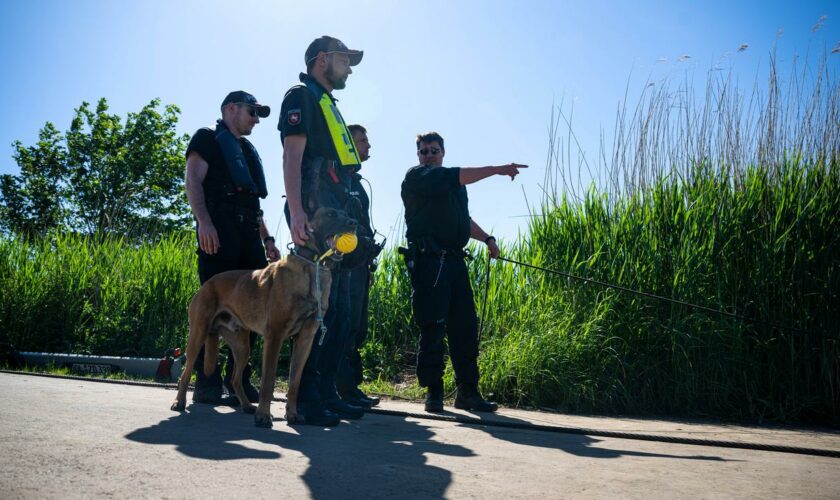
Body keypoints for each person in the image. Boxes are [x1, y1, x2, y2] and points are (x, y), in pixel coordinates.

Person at [400, 131, 526, 412]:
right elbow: (457, 175)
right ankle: (434, 393)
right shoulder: (417, 177)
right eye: (424, 151)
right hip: (430, 262)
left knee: (465, 328)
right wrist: (497, 170)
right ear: (418, 155)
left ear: (443, 152)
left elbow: (462, 219)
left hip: (456, 263)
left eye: (434, 150)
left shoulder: (457, 187)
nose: (429, 155)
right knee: (432, 327)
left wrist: (488, 239)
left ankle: (468, 393)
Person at [278, 36, 367, 426]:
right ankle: (305, 401)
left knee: (341, 313)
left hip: (337, 217)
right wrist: (297, 211)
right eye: (344, 59)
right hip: (315, 218)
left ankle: (326, 393)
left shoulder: (328, 102)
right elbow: (292, 155)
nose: (349, 67)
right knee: (319, 311)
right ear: (321, 60)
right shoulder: (302, 96)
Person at [184, 90, 280, 404]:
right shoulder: (207, 139)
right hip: (219, 233)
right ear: (231, 109)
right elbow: (193, 180)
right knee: (212, 311)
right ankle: (206, 382)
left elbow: (254, 203)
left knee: (253, 308)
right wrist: (204, 223)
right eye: (252, 112)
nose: (256, 119)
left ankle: (237, 378)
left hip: (249, 237)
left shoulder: (247, 150)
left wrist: (267, 240)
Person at [335, 124, 381, 408]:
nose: (368, 146)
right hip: (343, 265)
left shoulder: (359, 183)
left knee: (359, 327)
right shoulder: (337, 179)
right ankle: (342, 390)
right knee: (346, 325)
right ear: (348, 144)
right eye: (362, 140)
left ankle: (351, 387)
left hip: (361, 265)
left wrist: (369, 264)